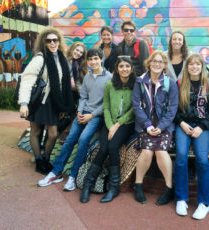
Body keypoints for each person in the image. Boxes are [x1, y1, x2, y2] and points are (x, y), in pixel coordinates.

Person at [37, 48, 112, 191]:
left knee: (83, 139)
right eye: (90, 59)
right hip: (83, 112)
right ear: (88, 61)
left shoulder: (109, 77)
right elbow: (83, 96)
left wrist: (92, 115)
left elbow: (107, 103)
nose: (93, 61)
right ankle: (56, 171)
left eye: (96, 58)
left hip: (97, 116)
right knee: (71, 138)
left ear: (101, 59)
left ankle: (73, 176)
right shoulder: (88, 76)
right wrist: (79, 111)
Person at [80, 56, 136, 203]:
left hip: (126, 123)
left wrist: (117, 126)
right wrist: (110, 125)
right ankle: (87, 184)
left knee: (112, 146)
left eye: (127, 66)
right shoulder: (110, 84)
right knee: (103, 148)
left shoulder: (136, 84)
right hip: (109, 122)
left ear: (131, 68)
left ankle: (113, 187)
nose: (124, 69)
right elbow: (105, 107)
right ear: (117, 69)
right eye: (121, 66)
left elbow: (134, 109)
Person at [18, 27, 73, 174]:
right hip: (40, 101)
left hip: (54, 101)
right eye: (49, 40)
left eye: (55, 40)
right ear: (44, 42)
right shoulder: (39, 59)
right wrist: (23, 103)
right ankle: (39, 161)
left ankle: (46, 158)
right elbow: (26, 80)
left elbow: (63, 83)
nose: (52, 43)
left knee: (53, 133)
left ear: (59, 41)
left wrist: (62, 104)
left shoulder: (61, 58)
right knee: (36, 131)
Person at [132, 50, 178, 205]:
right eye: (155, 61)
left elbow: (173, 109)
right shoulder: (140, 81)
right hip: (146, 124)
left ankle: (168, 188)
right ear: (149, 63)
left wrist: (162, 126)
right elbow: (136, 106)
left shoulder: (170, 83)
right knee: (146, 152)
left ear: (164, 65)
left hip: (164, 125)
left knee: (160, 151)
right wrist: (148, 125)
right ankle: (138, 185)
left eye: (161, 62)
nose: (157, 64)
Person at [174, 53, 209, 220]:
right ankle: (181, 198)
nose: (194, 67)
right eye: (191, 64)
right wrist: (181, 123)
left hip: (202, 126)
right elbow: (172, 109)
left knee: (202, 159)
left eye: (197, 64)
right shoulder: (180, 83)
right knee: (181, 157)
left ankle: (204, 203)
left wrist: (202, 126)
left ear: (202, 66)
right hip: (183, 124)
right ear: (187, 67)